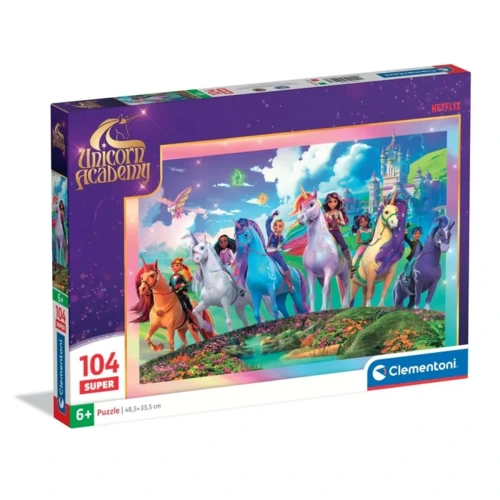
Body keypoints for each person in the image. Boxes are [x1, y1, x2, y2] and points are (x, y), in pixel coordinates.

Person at [322, 192, 355, 277]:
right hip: (329, 233)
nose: (332, 204)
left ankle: (351, 266)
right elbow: (326, 226)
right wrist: (326, 234)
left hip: (336, 232)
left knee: (344, 247)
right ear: (327, 203)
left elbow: (343, 224)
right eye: (330, 202)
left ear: (337, 202)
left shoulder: (338, 212)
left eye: (335, 201)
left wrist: (337, 220)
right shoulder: (326, 214)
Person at [266, 210, 294, 292]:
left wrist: (283, 247)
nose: (277, 227)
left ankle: (290, 284)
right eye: (275, 225)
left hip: (275, 253)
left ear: (282, 228)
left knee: (284, 266)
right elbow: (267, 223)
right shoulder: (269, 232)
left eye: (279, 226)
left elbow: (285, 244)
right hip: (267, 253)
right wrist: (273, 214)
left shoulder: (280, 236)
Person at [169, 257, 197, 325]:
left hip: (181, 294)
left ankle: (193, 320)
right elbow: (169, 285)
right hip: (174, 294)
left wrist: (182, 285)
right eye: (173, 266)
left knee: (187, 305)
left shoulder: (181, 277)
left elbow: (187, 284)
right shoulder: (171, 277)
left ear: (181, 267)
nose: (174, 267)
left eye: (177, 265)